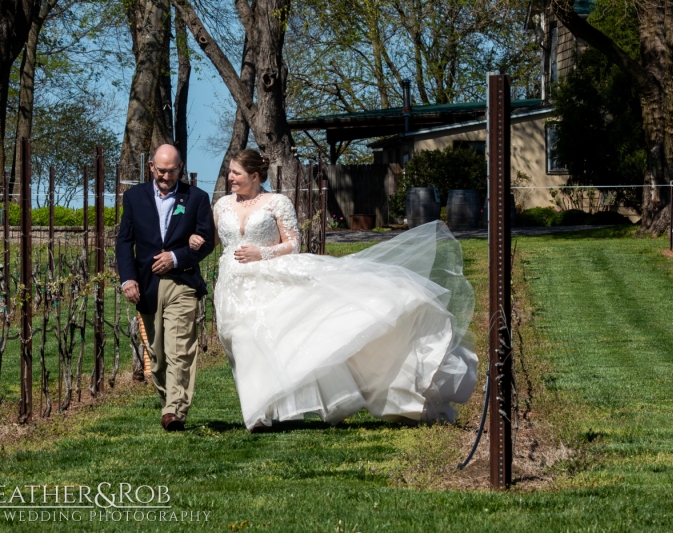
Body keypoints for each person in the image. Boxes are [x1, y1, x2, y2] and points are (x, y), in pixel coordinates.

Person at [190, 149, 477, 431]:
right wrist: (193, 241)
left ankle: (259, 414)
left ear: (254, 175)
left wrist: (261, 253)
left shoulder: (276, 202)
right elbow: (212, 241)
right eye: (229, 171)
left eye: (235, 172)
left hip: (268, 281)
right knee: (238, 343)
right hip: (231, 285)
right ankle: (267, 407)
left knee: (258, 341)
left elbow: (293, 244)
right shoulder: (222, 206)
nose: (229, 177)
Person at [117, 144, 216, 431]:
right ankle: (167, 401)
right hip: (146, 286)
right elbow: (125, 241)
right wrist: (128, 278)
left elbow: (207, 241)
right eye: (161, 170)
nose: (166, 176)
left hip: (182, 283)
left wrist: (175, 257)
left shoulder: (196, 198)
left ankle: (175, 410)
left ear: (180, 168)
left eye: (172, 171)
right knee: (157, 355)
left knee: (179, 349)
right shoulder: (134, 198)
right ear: (151, 167)